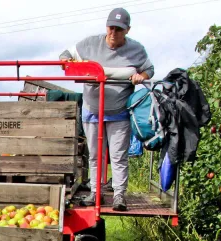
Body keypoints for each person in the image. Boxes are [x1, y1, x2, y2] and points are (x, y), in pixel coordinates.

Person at [60, 7, 154, 212]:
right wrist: (66, 60)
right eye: (111, 27)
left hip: (118, 111)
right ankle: (95, 192)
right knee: (94, 154)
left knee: (118, 155)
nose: (114, 32)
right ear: (106, 26)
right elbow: (67, 53)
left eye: (119, 29)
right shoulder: (90, 44)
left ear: (127, 30)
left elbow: (149, 69)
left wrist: (141, 77)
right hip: (93, 110)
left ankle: (119, 195)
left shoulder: (136, 50)